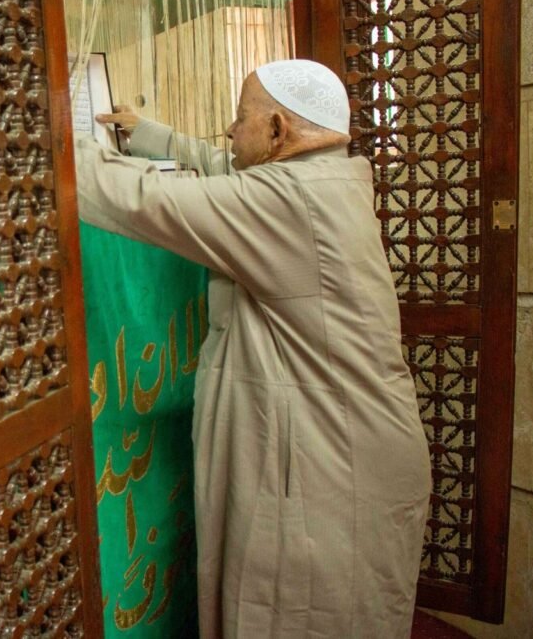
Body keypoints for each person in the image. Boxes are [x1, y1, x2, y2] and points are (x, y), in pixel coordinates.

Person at [74, 60, 432, 638]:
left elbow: (142, 199)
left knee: (298, 620)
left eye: (239, 119)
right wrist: (150, 134)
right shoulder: (325, 178)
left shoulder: (290, 202)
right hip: (352, 452)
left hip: (332, 475)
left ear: (276, 131)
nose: (228, 131)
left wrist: (39, 142)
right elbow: (224, 167)